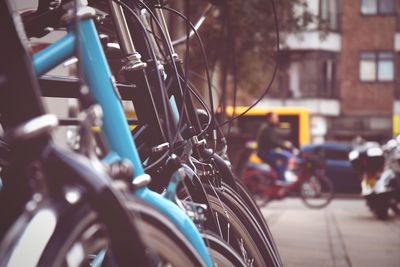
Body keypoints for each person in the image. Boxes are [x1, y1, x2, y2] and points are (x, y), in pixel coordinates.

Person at [257, 112, 293, 183]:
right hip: (265, 152)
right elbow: (273, 141)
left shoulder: (269, 127)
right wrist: (285, 146)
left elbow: (276, 139)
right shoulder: (267, 128)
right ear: (269, 119)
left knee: (281, 158)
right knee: (285, 157)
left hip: (266, 151)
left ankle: (279, 177)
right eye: (275, 117)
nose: (277, 119)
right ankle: (281, 179)